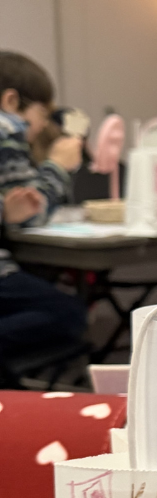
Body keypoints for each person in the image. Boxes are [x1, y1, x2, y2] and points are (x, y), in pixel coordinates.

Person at [0, 51, 86, 360]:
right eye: (43, 113)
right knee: (69, 313)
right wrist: (58, 167)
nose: (43, 124)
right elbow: (28, 214)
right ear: (11, 101)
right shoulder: (7, 131)